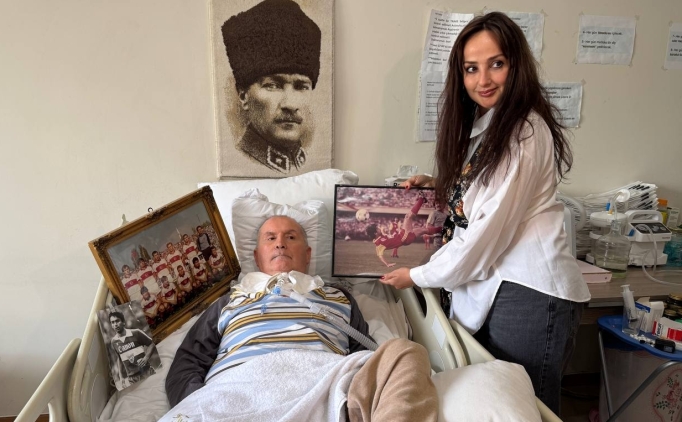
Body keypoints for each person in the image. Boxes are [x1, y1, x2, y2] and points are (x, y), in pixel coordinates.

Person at [379, 12, 591, 415]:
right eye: (471, 69)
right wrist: (440, 186)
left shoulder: (523, 131)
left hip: (529, 292)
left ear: (517, 64)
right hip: (500, 285)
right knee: (499, 405)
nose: (483, 80)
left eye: (496, 64)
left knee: (527, 410)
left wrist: (417, 276)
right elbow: (484, 198)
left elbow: (485, 233)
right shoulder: (487, 128)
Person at [165, 216, 437, 421]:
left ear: (307, 255)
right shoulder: (231, 300)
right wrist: (201, 404)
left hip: (324, 386)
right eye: (270, 238)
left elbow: (362, 352)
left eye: (291, 237)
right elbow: (189, 360)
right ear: (257, 257)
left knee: (406, 353)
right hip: (238, 391)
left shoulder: (338, 297)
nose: (280, 243)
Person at [221, 0, 320, 173]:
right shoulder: (240, 162)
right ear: (243, 96)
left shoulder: (309, 167)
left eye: (301, 86)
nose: (290, 104)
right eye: (273, 85)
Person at [368, 192, 433, 268]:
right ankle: (421, 199)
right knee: (408, 217)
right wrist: (387, 264)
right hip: (403, 238)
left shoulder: (380, 237)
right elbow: (380, 256)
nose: (379, 228)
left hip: (402, 236)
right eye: (377, 229)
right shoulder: (379, 244)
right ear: (375, 233)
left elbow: (389, 236)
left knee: (423, 230)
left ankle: (440, 230)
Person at [108, 310, 158, 385]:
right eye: (112, 322)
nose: (115, 324)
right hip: (132, 378)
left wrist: (146, 358)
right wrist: (121, 377)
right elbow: (119, 358)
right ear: (111, 325)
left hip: (146, 371)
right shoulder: (113, 341)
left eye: (117, 321)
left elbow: (151, 344)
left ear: (123, 322)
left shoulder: (136, 332)